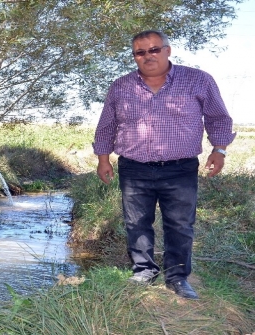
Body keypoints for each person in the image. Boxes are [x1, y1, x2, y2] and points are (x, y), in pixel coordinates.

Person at [92, 30, 235, 300]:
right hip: (134, 168)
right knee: (136, 222)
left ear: (168, 50)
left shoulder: (198, 80)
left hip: (180, 168)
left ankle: (178, 277)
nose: (148, 56)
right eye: (140, 52)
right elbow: (107, 125)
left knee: (180, 224)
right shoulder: (121, 86)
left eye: (154, 49)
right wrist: (103, 158)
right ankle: (144, 271)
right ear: (134, 56)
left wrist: (219, 150)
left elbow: (218, 118)